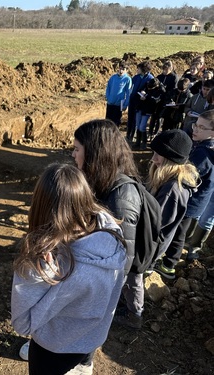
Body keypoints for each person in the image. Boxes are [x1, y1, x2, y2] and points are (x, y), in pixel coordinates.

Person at [11, 163, 126, 375]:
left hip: (54, 348)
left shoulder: (55, 266)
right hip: (91, 337)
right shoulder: (111, 231)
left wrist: (38, 276)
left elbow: (23, 324)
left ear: (41, 207)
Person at [72, 120, 146, 330]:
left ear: (95, 154)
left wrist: (100, 294)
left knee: (91, 323)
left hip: (103, 281)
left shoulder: (122, 200)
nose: (73, 155)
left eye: (77, 149)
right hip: (96, 272)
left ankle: (84, 361)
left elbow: (123, 258)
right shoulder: (103, 180)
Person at [155, 110, 214, 278]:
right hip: (197, 203)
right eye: (196, 125)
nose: (195, 130)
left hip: (189, 204)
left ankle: (168, 266)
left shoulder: (203, 154)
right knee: (181, 233)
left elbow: (188, 175)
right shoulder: (206, 148)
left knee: (176, 234)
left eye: (202, 128)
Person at [147, 130, 198, 269]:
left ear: (172, 159)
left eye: (159, 155)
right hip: (151, 246)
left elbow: (154, 225)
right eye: (154, 153)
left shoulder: (172, 190)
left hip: (149, 248)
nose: (153, 159)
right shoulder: (167, 179)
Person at [126, 61, 154, 143]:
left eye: (138, 68)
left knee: (136, 120)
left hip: (141, 103)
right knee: (130, 118)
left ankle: (134, 137)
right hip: (132, 100)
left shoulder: (150, 78)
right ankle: (128, 135)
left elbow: (151, 91)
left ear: (143, 69)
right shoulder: (136, 77)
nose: (137, 70)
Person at [135, 78, 165, 149]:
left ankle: (144, 143)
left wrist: (147, 97)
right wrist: (142, 94)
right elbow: (140, 90)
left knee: (142, 126)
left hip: (148, 110)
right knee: (138, 125)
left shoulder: (160, 91)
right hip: (140, 107)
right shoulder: (148, 84)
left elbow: (155, 100)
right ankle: (138, 142)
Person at [149, 61, 178, 137]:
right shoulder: (160, 76)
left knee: (160, 117)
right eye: (163, 69)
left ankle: (156, 133)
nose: (164, 71)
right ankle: (150, 132)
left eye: (166, 70)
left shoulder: (173, 77)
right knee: (153, 116)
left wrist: (164, 90)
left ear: (170, 69)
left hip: (165, 100)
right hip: (158, 99)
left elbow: (173, 89)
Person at [105, 60, 132, 126]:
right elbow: (108, 88)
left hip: (119, 104)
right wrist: (108, 97)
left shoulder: (127, 79)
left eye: (123, 69)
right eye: (120, 69)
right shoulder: (113, 77)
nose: (121, 71)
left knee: (116, 122)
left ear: (126, 70)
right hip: (110, 103)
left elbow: (128, 93)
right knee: (108, 121)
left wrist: (125, 105)